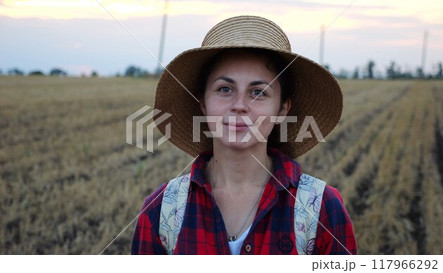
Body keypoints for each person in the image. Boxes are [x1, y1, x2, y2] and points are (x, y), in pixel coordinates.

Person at [131, 15, 357, 255]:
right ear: (203, 104)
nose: (240, 105)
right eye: (225, 89)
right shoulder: (161, 211)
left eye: (258, 92)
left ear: (282, 109)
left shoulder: (322, 209)